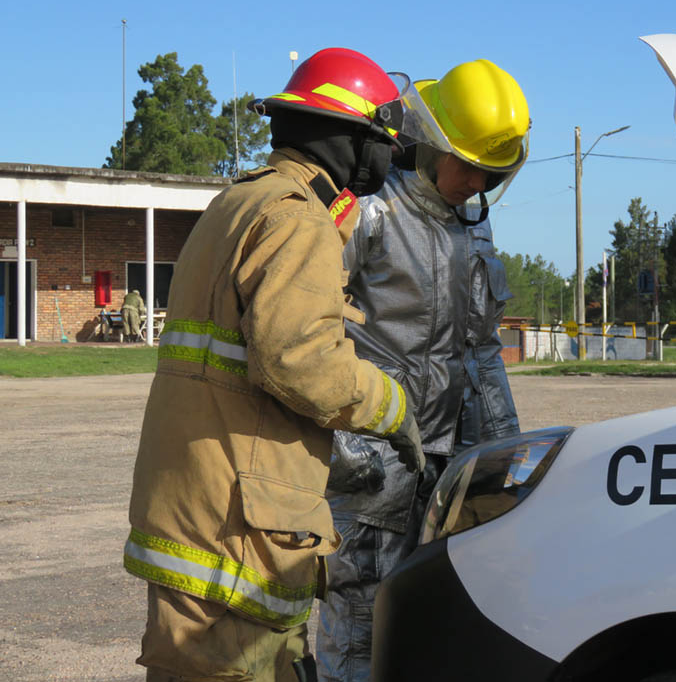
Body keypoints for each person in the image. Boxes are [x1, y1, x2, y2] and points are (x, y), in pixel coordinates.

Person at [123, 48, 429, 682]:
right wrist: (392, 406)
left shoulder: (238, 204)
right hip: (238, 535)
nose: (387, 159)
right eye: (383, 142)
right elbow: (299, 362)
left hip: (201, 512)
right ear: (352, 138)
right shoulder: (297, 220)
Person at [316, 59, 530, 682]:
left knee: (437, 616)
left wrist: (501, 451)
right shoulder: (367, 211)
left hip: (448, 465)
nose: (476, 182)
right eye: (468, 164)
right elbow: (308, 331)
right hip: (373, 460)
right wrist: (346, 448)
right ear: (432, 142)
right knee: (358, 618)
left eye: (491, 172)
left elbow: (482, 348)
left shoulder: (474, 220)